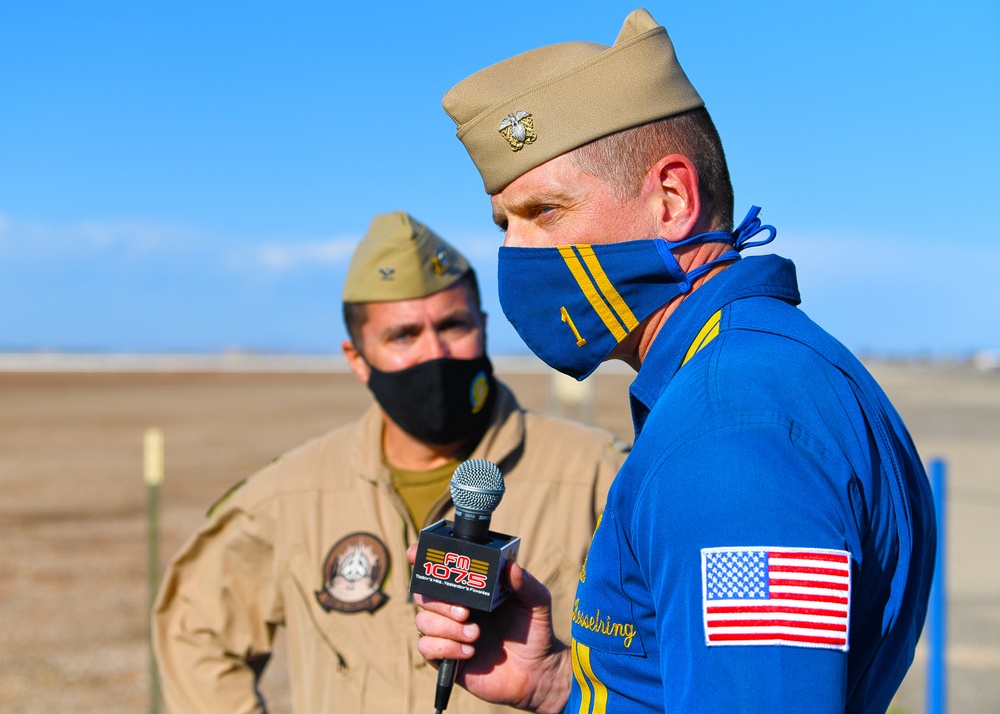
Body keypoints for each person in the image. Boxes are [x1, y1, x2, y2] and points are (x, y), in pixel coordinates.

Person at [411, 9, 937, 713]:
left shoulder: (731, 432)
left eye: (546, 212)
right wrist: (554, 683)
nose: (517, 254)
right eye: (507, 224)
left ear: (672, 200)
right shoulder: (758, 375)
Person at [152, 211, 628, 713]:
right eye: (403, 336)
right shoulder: (290, 493)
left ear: (484, 327)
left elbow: (672, 662)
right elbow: (195, 632)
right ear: (357, 358)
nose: (435, 353)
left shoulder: (599, 475)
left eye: (453, 325)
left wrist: (559, 683)